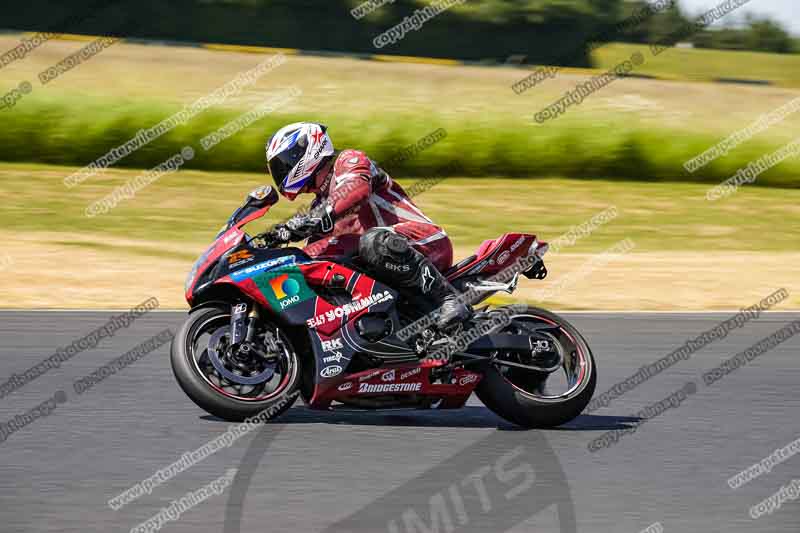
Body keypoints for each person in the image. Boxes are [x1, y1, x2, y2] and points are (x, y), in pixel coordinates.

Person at [265, 121, 470, 329]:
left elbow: (357, 190)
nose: (282, 171)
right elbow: (316, 258)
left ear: (307, 148)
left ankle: (448, 300)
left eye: (285, 163)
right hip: (388, 270)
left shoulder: (349, 161)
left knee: (373, 242)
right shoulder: (319, 205)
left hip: (424, 242)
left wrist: (313, 218)